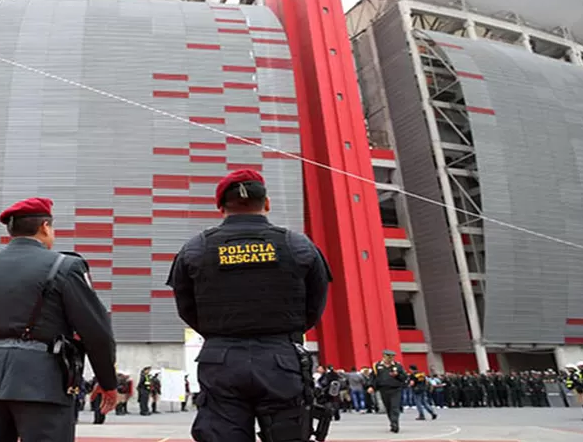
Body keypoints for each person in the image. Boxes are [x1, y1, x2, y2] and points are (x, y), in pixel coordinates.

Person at [166, 169, 331, 442]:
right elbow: (315, 305)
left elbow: (186, 308)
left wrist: (221, 333)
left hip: (221, 360)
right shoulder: (297, 245)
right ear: (266, 203)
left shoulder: (195, 248)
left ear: (220, 207)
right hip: (281, 360)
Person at [0, 197, 118, 442]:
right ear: (45, 226)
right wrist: (107, 381)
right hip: (43, 383)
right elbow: (96, 331)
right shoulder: (66, 266)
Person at [370, 350, 407, 433]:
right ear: (384, 356)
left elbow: (404, 377)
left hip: (395, 389)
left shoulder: (398, 366)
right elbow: (373, 378)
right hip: (383, 389)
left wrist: (397, 375)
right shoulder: (377, 366)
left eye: (392, 357)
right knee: (388, 407)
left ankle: (395, 424)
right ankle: (392, 422)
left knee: (395, 407)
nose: (390, 359)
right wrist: (371, 386)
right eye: (388, 357)